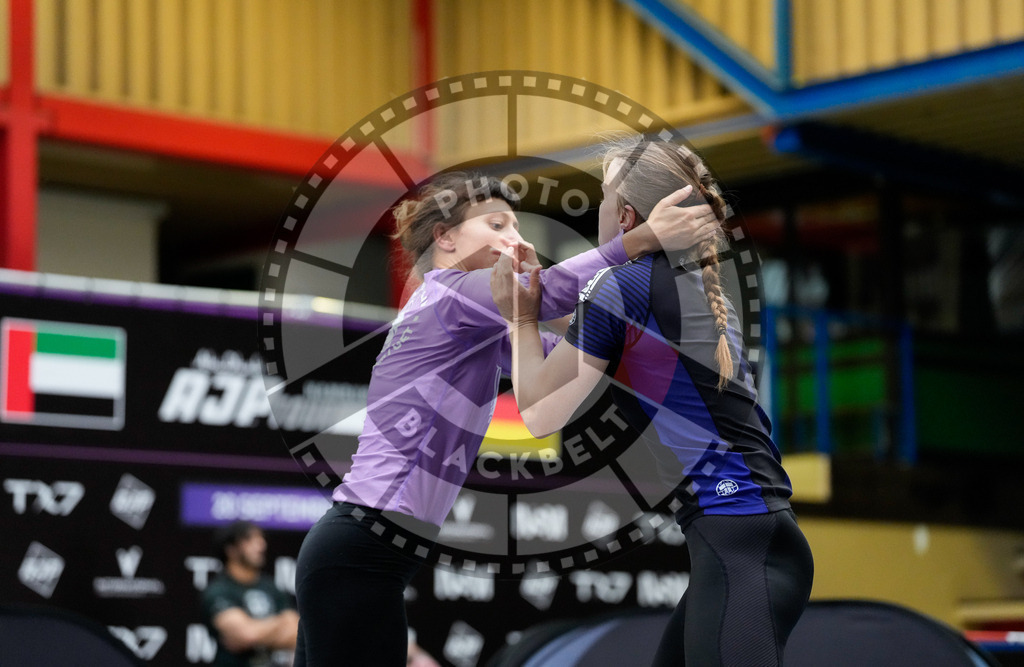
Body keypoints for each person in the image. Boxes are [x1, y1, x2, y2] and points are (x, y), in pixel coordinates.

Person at [293, 170, 714, 666]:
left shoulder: (463, 320)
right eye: (496, 224)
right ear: (444, 238)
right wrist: (642, 239)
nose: (514, 237)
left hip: (361, 551)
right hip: (361, 551)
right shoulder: (451, 294)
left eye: (516, 226)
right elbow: (556, 293)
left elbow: (563, 360)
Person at [491, 137, 815, 667]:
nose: (596, 207)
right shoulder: (689, 286)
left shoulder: (621, 287)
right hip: (752, 536)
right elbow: (584, 344)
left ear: (623, 215)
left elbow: (539, 412)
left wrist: (519, 318)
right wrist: (525, 319)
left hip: (738, 538)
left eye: (601, 195)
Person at [201, 521, 299, 667]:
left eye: (261, 539)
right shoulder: (219, 590)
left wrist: (254, 632)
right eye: (250, 539)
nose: (261, 545)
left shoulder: (270, 587)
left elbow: (297, 633)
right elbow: (246, 634)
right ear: (231, 549)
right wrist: (281, 623)